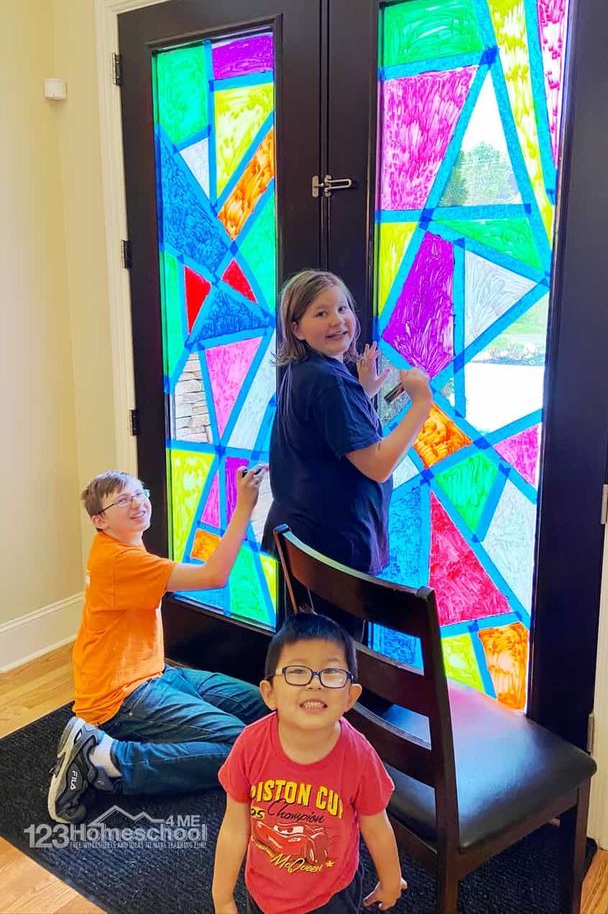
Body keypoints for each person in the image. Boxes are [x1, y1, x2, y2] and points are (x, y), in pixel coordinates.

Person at [47, 466, 271, 824]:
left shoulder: (124, 542)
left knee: (267, 705)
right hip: (120, 698)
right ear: (98, 521)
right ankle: (107, 760)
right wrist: (244, 506)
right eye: (122, 500)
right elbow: (214, 575)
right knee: (240, 747)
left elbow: (198, 567)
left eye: (139, 493)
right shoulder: (121, 561)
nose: (137, 503)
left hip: (155, 673)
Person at [212, 611, 407, 914]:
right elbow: (235, 826)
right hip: (264, 890)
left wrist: (391, 879)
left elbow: (376, 826)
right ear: (270, 693)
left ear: (350, 697)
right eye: (297, 672)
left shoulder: (359, 755)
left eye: (331, 673)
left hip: (332, 896)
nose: (315, 684)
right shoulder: (250, 746)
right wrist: (222, 897)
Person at [262, 269, 432, 582]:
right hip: (333, 552)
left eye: (343, 309)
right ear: (296, 328)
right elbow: (378, 465)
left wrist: (364, 393)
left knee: (308, 632)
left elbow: (329, 436)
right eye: (321, 313)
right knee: (335, 634)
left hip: (306, 541)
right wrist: (421, 404)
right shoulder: (329, 383)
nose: (337, 320)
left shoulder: (304, 370)